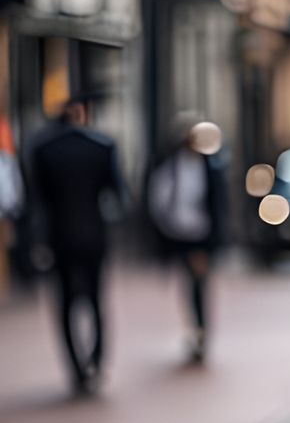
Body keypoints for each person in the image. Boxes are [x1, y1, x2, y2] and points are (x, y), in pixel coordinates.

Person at [24, 94, 127, 394]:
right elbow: (118, 194)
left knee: (67, 303)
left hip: (60, 236)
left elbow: (35, 200)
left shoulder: (45, 149)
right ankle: (95, 359)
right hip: (93, 235)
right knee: (95, 300)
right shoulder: (101, 147)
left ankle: (76, 367)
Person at [145, 114, 229, 362]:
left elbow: (218, 205)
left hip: (200, 236)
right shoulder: (169, 165)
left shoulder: (210, 167)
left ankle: (201, 331)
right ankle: (196, 329)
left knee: (198, 284)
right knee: (188, 283)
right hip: (178, 235)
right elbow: (158, 199)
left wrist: (213, 239)